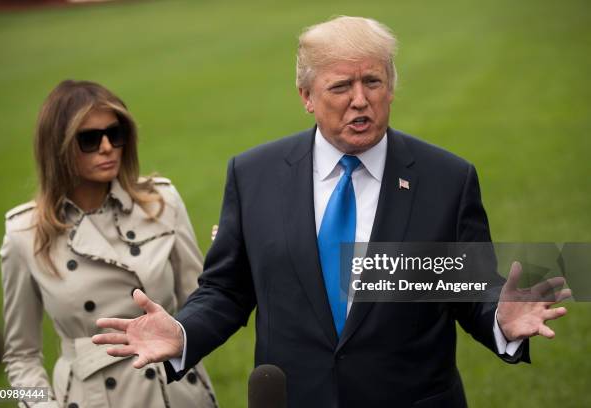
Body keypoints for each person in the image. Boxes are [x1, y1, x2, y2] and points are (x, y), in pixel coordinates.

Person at [93, 17, 569, 407]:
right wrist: (181, 330)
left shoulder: (446, 178)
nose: (359, 100)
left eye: (373, 82)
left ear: (391, 87)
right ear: (306, 97)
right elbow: (227, 288)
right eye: (341, 86)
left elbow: (468, 287)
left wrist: (498, 320)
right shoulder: (253, 174)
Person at [0, 80, 217, 408]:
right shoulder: (25, 234)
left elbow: (203, 303)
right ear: (57, 148)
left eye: (115, 134)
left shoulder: (161, 202)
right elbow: (21, 356)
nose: (107, 147)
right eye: (89, 139)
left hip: (176, 391)